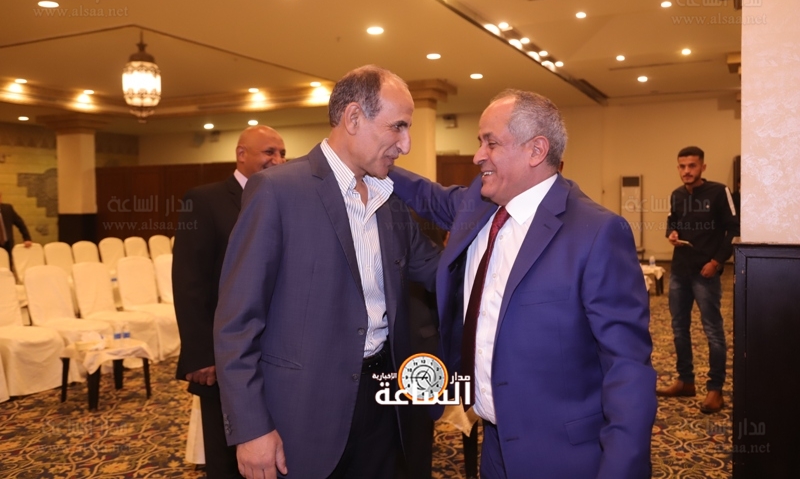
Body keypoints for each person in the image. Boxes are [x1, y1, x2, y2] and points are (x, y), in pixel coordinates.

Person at [390, 89, 657, 479]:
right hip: (495, 447)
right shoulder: (479, 204)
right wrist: (365, 158)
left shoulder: (597, 232)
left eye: (491, 143)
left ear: (536, 150)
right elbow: (426, 196)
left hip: (564, 457)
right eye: (479, 142)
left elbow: (627, 368)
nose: (478, 155)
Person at [214, 65, 440, 479]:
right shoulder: (278, 191)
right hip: (303, 412)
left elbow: (439, 272)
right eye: (398, 126)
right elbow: (237, 322)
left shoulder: (390, 199)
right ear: (353, 118)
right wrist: (251, 427)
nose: (405, 144)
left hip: (385, 404)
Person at [173, 125, 286, 478]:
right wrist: (202, 354)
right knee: (226, 457)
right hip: (222, 357)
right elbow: (189, 282)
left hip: (274, 352)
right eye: (269, 152)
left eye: (282, 153)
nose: (278, 160)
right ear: (241, 154)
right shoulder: (204, 200)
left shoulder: (284, 198)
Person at [657, 146, 739, 414]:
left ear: (703, 167)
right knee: (679, 328)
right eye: (682, 166)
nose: (686, 171)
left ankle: (715, 390)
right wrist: (672, 233)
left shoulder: (719, 192)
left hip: (706, 272)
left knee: (713, 331)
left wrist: (716, 262)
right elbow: (672, 221)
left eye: (692, 166)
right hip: (679, 271)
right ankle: (685, 381)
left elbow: (734, 228)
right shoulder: (677, 195)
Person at [0, 192, 33, 273]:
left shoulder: (8, 209)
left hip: (7, 245)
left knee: (8, 270)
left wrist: (27, 238)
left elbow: (20, 223)